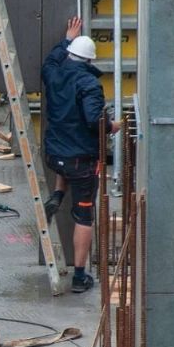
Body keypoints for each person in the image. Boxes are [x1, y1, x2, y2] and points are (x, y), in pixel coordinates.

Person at [41, 16, 120, 293]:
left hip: (55, 155)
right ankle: (78, 276)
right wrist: (112, 126)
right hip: (81, 161)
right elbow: (93, 121)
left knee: (66, 163)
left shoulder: (54, 73)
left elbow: (50, 61)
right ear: (89, 61)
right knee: (84, 216)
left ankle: (58, 195)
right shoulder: (89, 84)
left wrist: (67, 39)